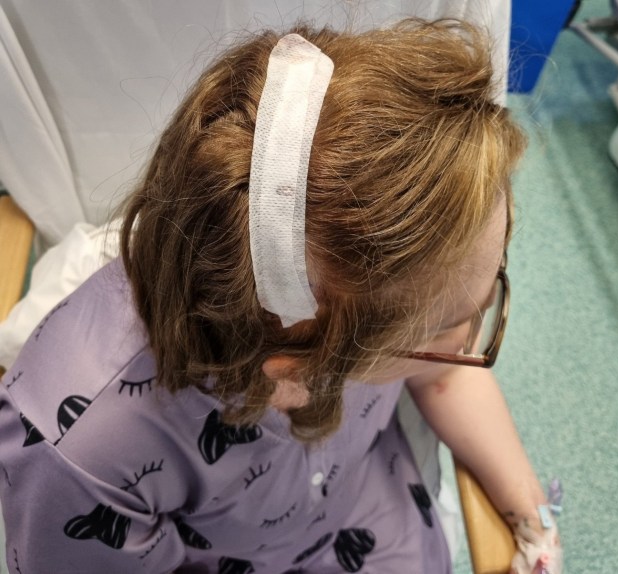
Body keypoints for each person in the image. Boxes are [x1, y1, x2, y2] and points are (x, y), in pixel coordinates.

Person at [0, 19, 561, 574]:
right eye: (456, 322)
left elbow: (443, 375)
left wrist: (534, 523)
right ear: (298, 369)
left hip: (375, 509)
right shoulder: (81, 459)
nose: (466, 344)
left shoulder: (379, 287)